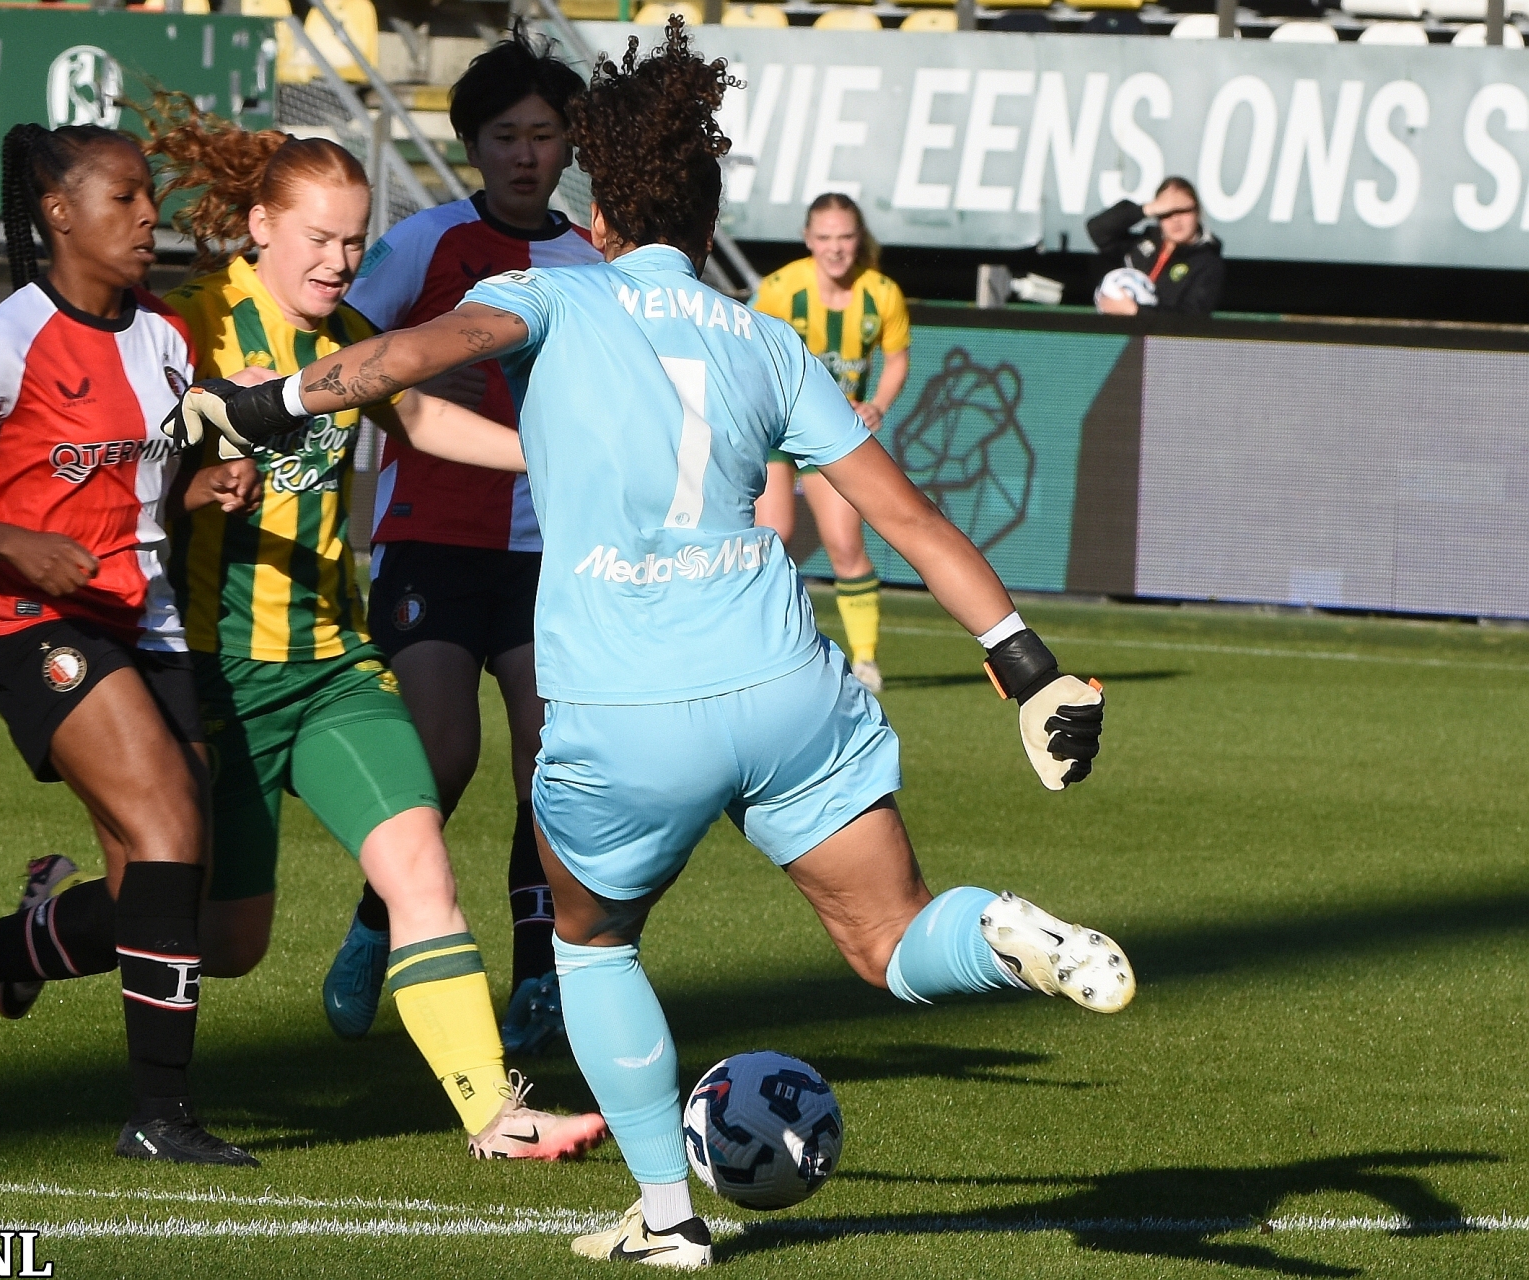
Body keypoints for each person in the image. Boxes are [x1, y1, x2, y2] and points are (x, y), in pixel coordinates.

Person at [179, 18, 1133, 1267]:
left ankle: (667, 1215)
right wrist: (1027, 665)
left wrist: (269, 399)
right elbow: (907, 518)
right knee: (891, 938)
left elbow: (408, 358)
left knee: (592, 940)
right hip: (787, 682)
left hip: (632, 708)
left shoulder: (547, 289)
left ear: (600, 207)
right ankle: (1007, 927)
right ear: (708, 205)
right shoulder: (767, 335)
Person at [142, 101, 608, 1161]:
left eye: (355, 240)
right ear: (260, 226)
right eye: (320, 238)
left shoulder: (352, 339)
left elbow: (426, 417)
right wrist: (182, 488)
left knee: (419, 866)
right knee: (229, 941)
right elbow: (130, 469)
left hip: (335, 669)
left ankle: (495, 1110)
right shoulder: (191, 325)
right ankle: (42, 933)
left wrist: (547, 455)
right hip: (221, 675)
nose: (342, 259)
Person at [0, 122, 262, 1165]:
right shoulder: (8, 339)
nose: (150, 218)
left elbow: (148, 482)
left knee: (172, 900)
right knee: (171, 828)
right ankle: (156, 1113)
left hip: (149, 619)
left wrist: (203, 483)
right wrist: (14, 542)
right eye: (126, 199)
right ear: (60, 213)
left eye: (150, 198)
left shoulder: (167, 336)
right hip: (29, 617)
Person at [328, 24, 602, 1056]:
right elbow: (339, 343)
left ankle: (538, 979)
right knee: (443, 752)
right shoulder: (427, 241)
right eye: (505, 135)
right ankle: (373, 921)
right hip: (429, 541)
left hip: (547, 555)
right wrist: (400, 376)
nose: (525, 153)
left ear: (570, 145)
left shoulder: (589, 262)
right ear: (474, 144)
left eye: (543, 133)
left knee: (550, 765)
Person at [752, 193, 910, 694]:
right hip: (776, 428)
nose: (836, 249)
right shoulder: (780, 288)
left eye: (845, 237)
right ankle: (759, 649)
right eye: (825, 238)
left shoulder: (882, 292)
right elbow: (749, 352)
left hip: (833, 434)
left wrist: (877, 405)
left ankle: (865, 660)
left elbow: (897, 358)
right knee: (770, 537)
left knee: (845, 545)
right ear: (807, 239)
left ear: (858, 238)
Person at [1087, 176, 1224, 316]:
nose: (1175, 219)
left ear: (1197, 212)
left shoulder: (1207, 262)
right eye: (1166, 213)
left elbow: (1192, 319)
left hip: (1164, 337)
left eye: (1183, 211)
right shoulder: (1143, 244)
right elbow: (1097, 230)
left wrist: (1135, 311)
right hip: (1126, 335)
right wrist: (1147, 209)